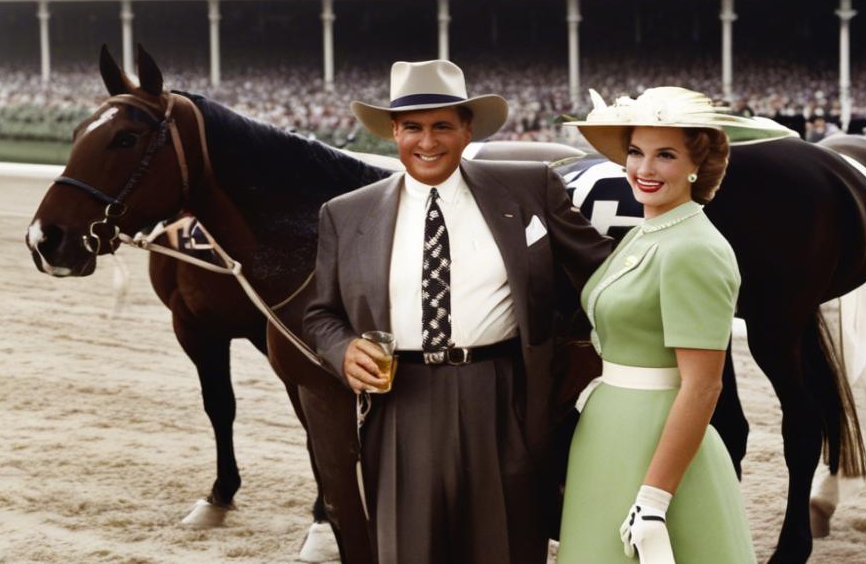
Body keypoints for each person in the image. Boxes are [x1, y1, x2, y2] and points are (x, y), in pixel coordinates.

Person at [302, 59, 612, 564]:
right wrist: (342, 350)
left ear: (468, 130)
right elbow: (320, 316)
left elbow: (607, 270)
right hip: (398, 401)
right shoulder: (345, 213)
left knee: (504, 549)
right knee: (409, 551)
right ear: (394, 132)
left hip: (504, 396)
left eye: (442, 126)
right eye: (413, 127)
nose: (427, 141)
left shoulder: (530, 187)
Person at [558, 87, 793, 563]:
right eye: (635, 152)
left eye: (665, 155)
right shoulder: (646, 231)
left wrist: (654, 498)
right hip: (607, 433)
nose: (644, 169)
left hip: (655, 445)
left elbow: (704, 386)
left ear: (696, 166)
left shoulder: (694, 248)